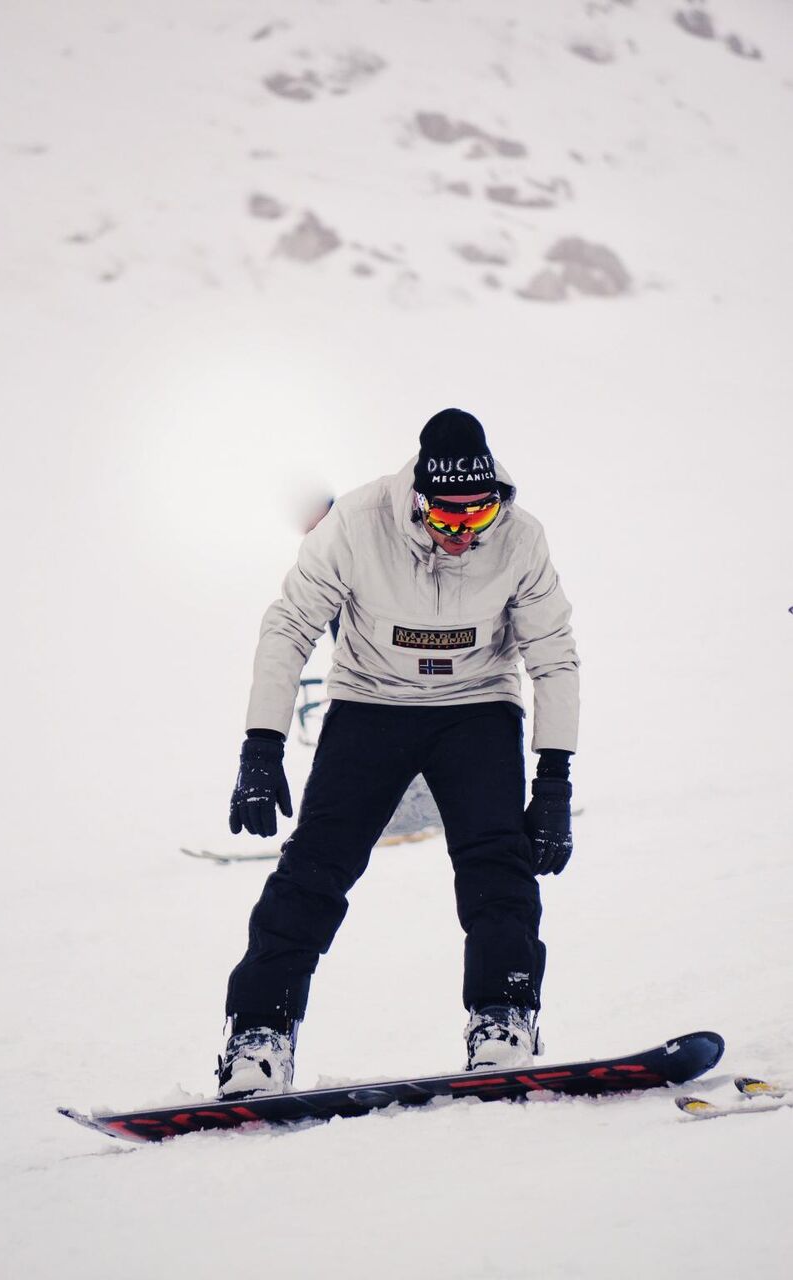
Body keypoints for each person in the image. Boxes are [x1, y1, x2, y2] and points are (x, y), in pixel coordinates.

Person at [219, 408, 579, 1095]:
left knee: (496, 864)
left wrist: (553, 780)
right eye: (446, 519)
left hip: (476, 706)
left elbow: (553, 658)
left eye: (477, 519)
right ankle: (258, 1038)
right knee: (315, 869)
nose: (460, 537)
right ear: (417, 497)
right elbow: (288, 625)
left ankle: (503, 1019)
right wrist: (261, 748)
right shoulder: (354, 525)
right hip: (370, 704)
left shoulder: (522, 539)